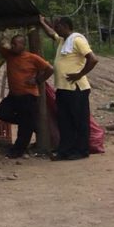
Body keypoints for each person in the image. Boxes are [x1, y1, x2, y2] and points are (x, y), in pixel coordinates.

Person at [39, 15, 98, 160]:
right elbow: (51, 33)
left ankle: (81, 150)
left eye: (58, 26)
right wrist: (42, 23)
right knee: (64, 121)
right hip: (63, 88)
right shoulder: (63, 41)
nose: (56, 29)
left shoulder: (77, 40)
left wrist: (80, 74)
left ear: (65, 26)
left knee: (79, 120)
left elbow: (93, 59)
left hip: (76, 88)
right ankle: (65, 150)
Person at [0, 31, 53, 158]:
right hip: (14, 95)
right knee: (1, 113)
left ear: (23, 45)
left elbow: (49, 69)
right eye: (12, 44)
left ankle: (17, 151)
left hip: (28, 95)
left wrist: (37, 80)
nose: (13, 46)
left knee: (25, 128)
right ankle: (28, 123)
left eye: (15, 44)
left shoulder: (32, 58)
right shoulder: (9, 55)